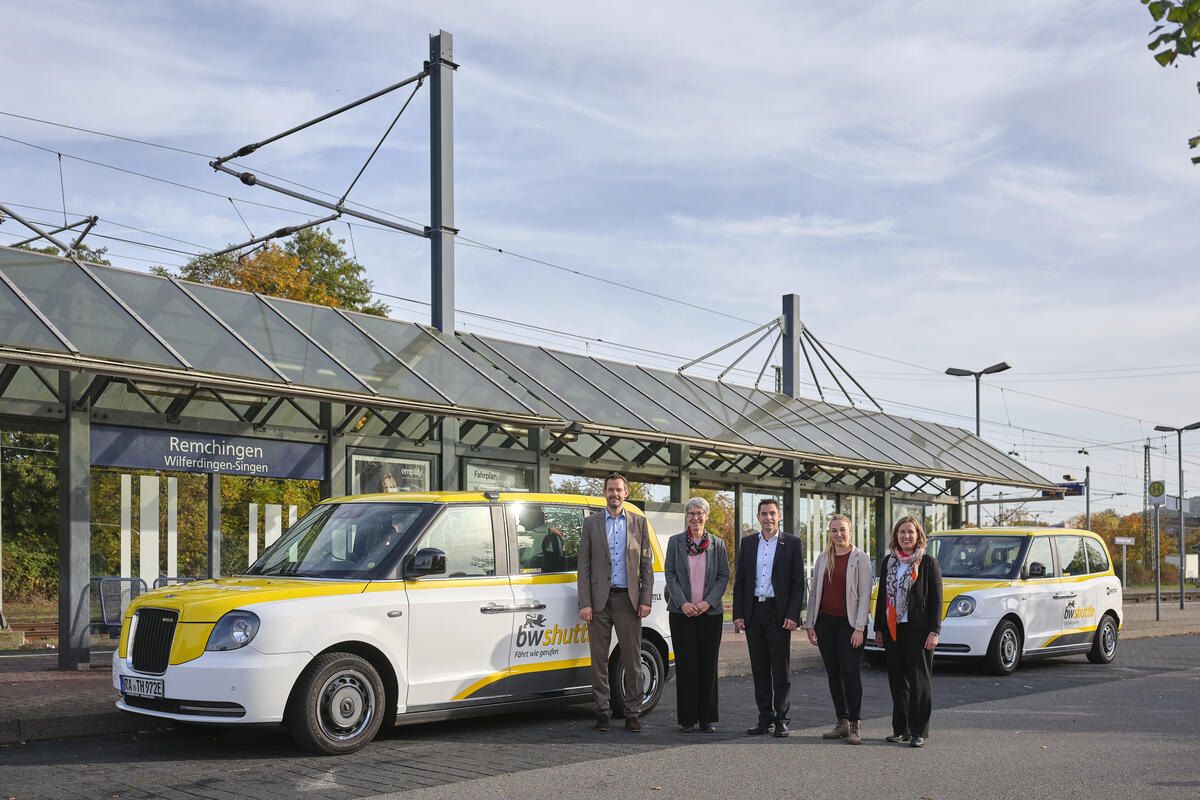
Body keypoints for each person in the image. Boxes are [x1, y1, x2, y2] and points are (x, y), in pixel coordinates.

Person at [578, 473, 654, 732]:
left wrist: (645, 599)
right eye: (611, 489)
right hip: (599, 602)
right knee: (598, 659)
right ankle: (602, 711)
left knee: (632, 659)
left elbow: (646, 565)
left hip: (628, 600)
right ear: (605, 492)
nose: (615, 494)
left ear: (626, 493)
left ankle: (633, 712)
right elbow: (584, 567)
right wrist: (585, 603)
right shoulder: (592, 524)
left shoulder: (639, 524)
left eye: (619, 490)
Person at [732, 498, 805, 737]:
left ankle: (782, 719)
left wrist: (794, 615)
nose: (768, 518)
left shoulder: (792, 543)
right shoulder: (748, 543)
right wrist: (739, 614)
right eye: (764, 514)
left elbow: (798, 584)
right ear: (758, 517)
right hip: (754, 612)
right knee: (760, 669)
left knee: (780, 670)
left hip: (779, 613)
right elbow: (740, 581)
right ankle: (764, 718)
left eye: (772, 513)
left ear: (779, 515)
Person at [803, 513, 873, 745]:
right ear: (829, 534)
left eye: (842, 529)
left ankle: (855, 724)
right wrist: (810, 623)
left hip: (850, 624)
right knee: (834, 674)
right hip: (826, 624)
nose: (838, 534)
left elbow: (865, 594)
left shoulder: (860, 558)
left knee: (850, 673)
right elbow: (814, 593)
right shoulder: (823, 558)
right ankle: (841, 722)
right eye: (834, 530)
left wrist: (860, 628)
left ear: (850, 531)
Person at [873, 515, 943, 748]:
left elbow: (936, 601)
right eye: (902, 532)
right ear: (896, 536)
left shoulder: (928, 563)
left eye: (910, 532)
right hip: (894, 629)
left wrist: (934, 631)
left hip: (919, 630)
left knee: (919, 681)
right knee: (897, 681)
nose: (906, 536)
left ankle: (918, 731)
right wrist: (879, 629)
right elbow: (883, 596)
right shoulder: (889, 562)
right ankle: (900, 729)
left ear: (918, 535)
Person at [663, 496, 730, 733]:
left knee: (708, 664)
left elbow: (724, 576)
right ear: (687, 517)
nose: (695, 517)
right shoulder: (675, 543)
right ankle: (687, 719)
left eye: (699, 513)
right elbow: (669, 574)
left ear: (706, 516)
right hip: (682, 614)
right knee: (687, 664)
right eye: (691, 513)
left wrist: (707, 603)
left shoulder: (718, 544)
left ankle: (707, 718)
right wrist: (683, 603)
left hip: (710, 614)